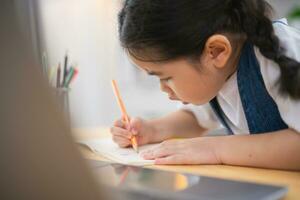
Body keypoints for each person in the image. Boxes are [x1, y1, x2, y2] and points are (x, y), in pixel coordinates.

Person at [110, 0, 300, 170]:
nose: (163, 88)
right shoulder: (216, 75)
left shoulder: (280, 53)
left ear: (216, 51)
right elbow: (194, 119)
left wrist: (214, 149)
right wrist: (150, 130)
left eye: (166, 77)